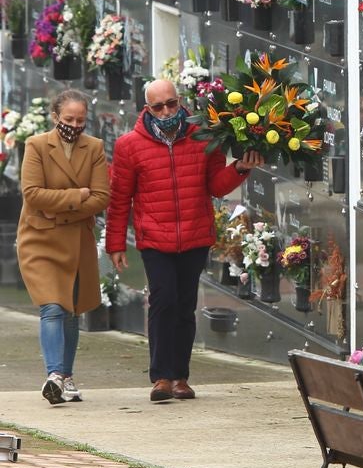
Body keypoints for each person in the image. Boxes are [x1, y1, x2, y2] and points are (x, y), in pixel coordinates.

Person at [106, 79, 264, 403]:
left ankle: (181, 376)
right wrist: (116, 243)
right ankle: (161, 376)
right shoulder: (129, 145)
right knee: (163, 301)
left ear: (180, 102)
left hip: (194, 235)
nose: (166, 111)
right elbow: (119, 198)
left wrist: (240, 168)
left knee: (184, 306)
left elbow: (216, 186)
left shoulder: (205, 135)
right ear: (147, 109)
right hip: (155, 237)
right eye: (158, 106)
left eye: (171, 104)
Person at [17, 89, 111, 405]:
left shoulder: (95, 148)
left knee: (71, 312)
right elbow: (32, 193)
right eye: (68, 118)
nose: (74, 124)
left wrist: (60, 203)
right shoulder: (36, 146)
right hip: (39, 239)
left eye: (80, 120)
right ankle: (54, 374)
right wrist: (76, 195)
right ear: (55, 116)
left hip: (77, 242)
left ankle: (66, 378)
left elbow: (101, 197)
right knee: (52, 306)